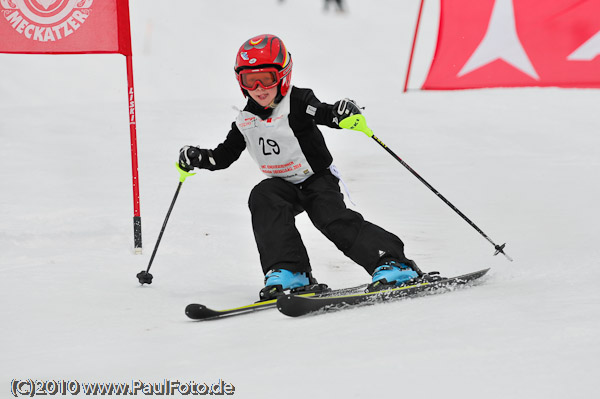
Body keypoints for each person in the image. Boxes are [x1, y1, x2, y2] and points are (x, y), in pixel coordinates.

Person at [179, 34, 421, 300]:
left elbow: (325, 113)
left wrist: (342, 113)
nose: (259, 87)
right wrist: (198, 158)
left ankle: (392, 262)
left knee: (331, 219)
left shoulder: (299, 102)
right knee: (263, 196)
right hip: (283, 185)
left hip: (317, 179)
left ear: (283, 76)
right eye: (250, 80)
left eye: (267, 78)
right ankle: (290, 271)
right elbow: (223, 156)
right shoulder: (245, 120)